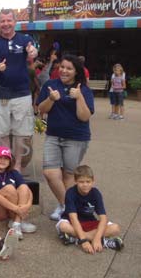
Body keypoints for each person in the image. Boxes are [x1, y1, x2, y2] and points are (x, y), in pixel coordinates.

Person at [37, 54, 94, 222]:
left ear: (76, 72)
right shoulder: (50, 85)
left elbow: (84, 116)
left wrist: (79, 97)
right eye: (62, 67)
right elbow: (42, 109)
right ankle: (68, 207)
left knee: (68, 176)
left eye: (69, 68)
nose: (64, 71)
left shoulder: (83, 89)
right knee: (50, 172)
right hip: (53, 136)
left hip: (76, 138)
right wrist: (51, 98)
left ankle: (66, 210)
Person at [0, 9, 38, 172]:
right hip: (0, 94)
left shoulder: (25, 39)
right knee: (2, 131)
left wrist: (33, 52)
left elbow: (32, 51)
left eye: (9, 20)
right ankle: (6, 164)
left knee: (21, 132)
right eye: (3, 21)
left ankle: (18, 165)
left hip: (22, 93)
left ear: (15, 22)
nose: (6, 24)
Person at [56, 165, 124, 253]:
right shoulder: (70, 193)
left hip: (89, 222)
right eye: (81, 182)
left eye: (88, 181)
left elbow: (103, 218)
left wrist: (97, 238)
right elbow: (73, 218)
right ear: (75, 181)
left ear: (93, 181)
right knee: (63, 226)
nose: (85, 185)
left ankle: (75, 239)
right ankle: (104, 242)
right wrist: (84, 241)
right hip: (72, 222)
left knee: (115, 228)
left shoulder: (96, 193)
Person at [0, 146, 36, 240]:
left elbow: (28, 190)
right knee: (9, 189)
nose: (3, 160)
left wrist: (27, 206)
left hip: (12, 209)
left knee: (23, 187)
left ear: (10, 161)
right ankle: (17, 220)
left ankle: (16, 223)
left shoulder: (13, 172)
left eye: (6, 158)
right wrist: (17, 209)